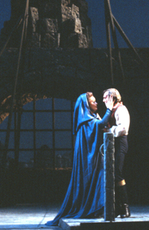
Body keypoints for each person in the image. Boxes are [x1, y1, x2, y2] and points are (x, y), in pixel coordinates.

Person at [46, 91, 114, 226]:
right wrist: (109, 109)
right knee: (94, 178)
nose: (96, 103)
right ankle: (91, 208)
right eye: (93, 102)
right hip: (88, 159)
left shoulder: (91, 118)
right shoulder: (86, 121)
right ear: (86, 105)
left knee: (100, 179)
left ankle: (95, 209)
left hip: (94, 157)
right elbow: (100, 124)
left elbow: (101, 125)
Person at [103, 88, 130, 218]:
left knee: (118, 173)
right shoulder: (112, 111)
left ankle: (125, 206)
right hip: (113, 143)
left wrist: (109, 130)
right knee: (113, 174)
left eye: (105, 98)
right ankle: (118, 207)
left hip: (120, 143)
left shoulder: (121, 109)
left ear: (112, 98)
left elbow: (122, 129)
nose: (103, 100)